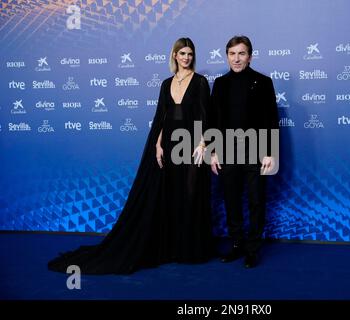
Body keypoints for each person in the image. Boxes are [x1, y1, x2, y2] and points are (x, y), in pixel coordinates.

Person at [48, 38, 212, 274]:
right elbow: (161, 118)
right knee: (169, 194)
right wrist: (157, 145)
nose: (186, 57)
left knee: (190, 194)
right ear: (174, 55)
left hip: (191, 145)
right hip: (168, 143)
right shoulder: (166, 84)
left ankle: (190, 249)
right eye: (182, 53)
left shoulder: (200, 82)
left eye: (190, 53)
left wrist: (203, 142)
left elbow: (205, 116)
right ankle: (171, 247)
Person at [209, 36, 279, 268]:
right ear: (227, 56)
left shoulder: (264, 82)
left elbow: (271, 119)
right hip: (228, 151)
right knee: (231, 201)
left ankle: (253, 249)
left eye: (241, 54)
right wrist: (214, 152)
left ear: (250, 56)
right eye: (232, 54)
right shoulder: (220, 84)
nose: (236, 59)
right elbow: (214, 121)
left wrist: (270, 152)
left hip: (257, 152)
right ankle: (237, 244)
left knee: (256, 201)